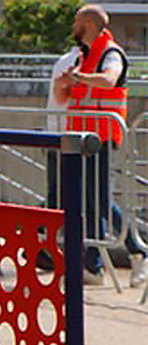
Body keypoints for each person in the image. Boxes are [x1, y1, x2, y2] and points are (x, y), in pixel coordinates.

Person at [53, 4, 147, 288]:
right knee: (91, 202)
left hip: (101, 137)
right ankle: (96, 265)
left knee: (100, 202)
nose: (73, 27)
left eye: (77, 21)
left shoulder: (110, 54)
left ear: (90, 22)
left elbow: (109, 80)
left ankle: (137, 252)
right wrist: (65, 83)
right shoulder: (85, 55)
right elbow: (64, 94)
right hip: (82, 138)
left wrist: (77, 77)